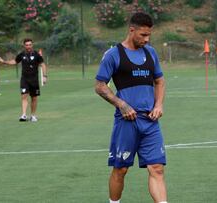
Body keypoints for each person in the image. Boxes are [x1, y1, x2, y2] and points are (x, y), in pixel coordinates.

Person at [95, 12, 167, 203]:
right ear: (131, 30)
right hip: (127, 121)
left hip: (150, 121)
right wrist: (122, 105)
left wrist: (159, 105)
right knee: (121, 169)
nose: (147, 39)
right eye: (143, 35)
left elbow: (159, 81)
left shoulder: (151, 53)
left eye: (149, 35)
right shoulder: (113, 54)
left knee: (157, 168)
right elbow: (100, 86)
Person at [2, 38, 47, 122]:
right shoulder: (21, 54)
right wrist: (4, 62)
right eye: (26, 45)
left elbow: (43, 65)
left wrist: (44, 76)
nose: (28, 46)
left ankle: (33, 115)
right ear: (24, 46)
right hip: (24, 79)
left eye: (30, 45)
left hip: (34, 80)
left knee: (34, 98)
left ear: (32, 45)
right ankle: (23, 115)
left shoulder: (37, 54)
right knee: (24, 96)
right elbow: (15, 61)